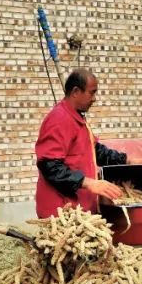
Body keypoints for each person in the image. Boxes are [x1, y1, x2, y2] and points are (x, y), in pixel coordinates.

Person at [35, 68, 127, 218]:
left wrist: (126, 160)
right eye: (92, 93)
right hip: (61, 213)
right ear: (76, 92)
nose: (94, 99)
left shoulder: (77, 118)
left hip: (80, 211)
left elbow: (95, 150)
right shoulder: (59, 119)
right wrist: (89, 183)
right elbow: (50, 166)